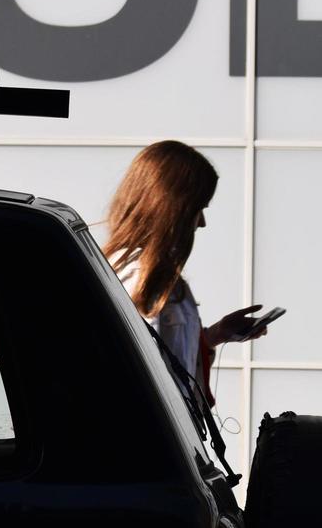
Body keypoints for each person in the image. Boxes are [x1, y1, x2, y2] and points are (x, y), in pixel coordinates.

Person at [102, 141, 268, 405]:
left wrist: (215, 335)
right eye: (198, 209)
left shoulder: (145, 276)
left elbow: (169, 361)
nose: (201, 222)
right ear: (172, 208)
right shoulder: (134, 277)